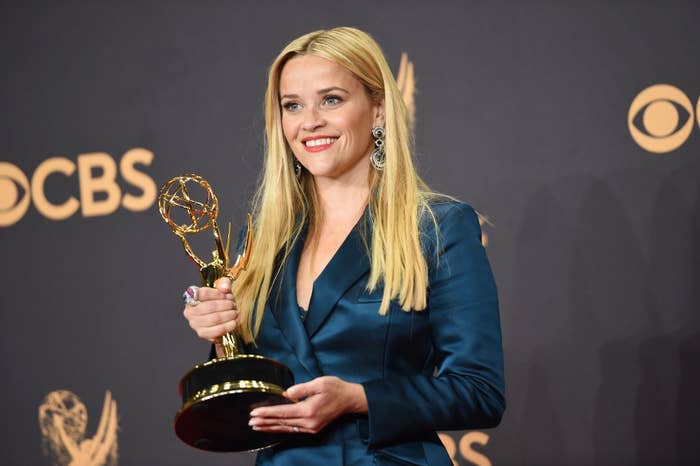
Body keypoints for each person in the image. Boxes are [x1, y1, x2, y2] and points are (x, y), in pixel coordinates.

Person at [181, 26, 505, 466]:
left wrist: (357, 398)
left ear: (378, 109)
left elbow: (479, 392)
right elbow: (255, 399)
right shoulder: (259, 242)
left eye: (330, 99)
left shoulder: (436, 227)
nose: (309, 121)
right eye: (292, 105)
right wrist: (222, 338)